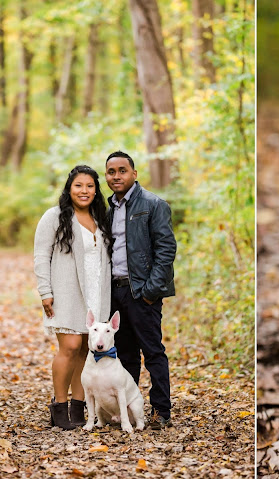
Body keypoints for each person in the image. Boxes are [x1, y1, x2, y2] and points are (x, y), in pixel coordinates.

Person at [34, 165, 113, 430]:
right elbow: (41, 255)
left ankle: (79, 407)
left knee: (85, 349)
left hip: (96, 291)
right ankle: (59, 407)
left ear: (96, 190)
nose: (84, 191)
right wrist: (45, 292)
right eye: (79, 185)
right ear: (70, 188)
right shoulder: (54, 216)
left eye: (90, 186)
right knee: (68, 346)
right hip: (67, 289)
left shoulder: (101, 217)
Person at [105, 151, 177, 429]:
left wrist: (150, 291)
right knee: (124, 355)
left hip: (142, 292)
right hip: (115, 292)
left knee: (153, 352)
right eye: (111, 172)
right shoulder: (108, 209)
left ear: (134, 174)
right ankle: (129, 410)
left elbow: (166, 249)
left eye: (122, 170)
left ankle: (161, 410)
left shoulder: (153, 204)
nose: (116, 176)